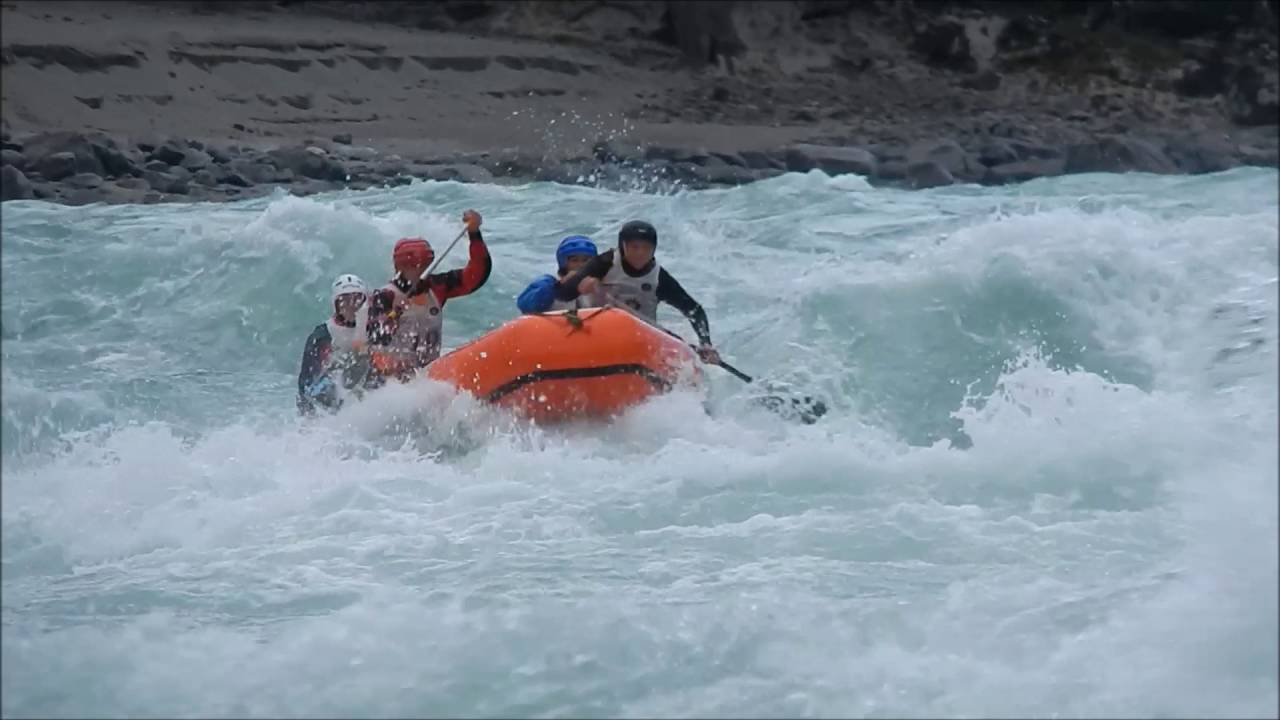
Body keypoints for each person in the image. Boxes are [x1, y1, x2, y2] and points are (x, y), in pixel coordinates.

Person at [554, 219, 722, 365]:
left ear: (654, 249)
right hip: (597, 332)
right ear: (623, 246)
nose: (640, 253)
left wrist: (705, 343)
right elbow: (563, 294)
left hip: (639, 339)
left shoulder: (659, 278)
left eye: (646, 248)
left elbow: (694, 310)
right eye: (634, 247)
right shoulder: (605, 263)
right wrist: (579, 287)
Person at [367, 209, 492, 380]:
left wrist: (474, 234)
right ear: (400, 268)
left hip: (427, 376)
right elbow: (376, 339)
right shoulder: (385, 296)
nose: (418, 270)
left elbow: (476, 275)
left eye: (423, 265)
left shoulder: (438, 286)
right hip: (390, 379)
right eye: (412, 266)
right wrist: (393, 317)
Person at [297, 273, 374, 416]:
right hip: (332, 389)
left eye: (357, 299)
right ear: (336, 304)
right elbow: (306, 380)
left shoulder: (375, 329)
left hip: (363, 385)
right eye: (344, 300)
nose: (351, 305)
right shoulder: (323, 335)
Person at [515, 234, 603, 314]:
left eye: (585, 260)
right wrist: (559, 287)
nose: (580, 265)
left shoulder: (599, 283)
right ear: (563, 263)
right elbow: (525, 305)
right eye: (574, 260)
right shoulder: (547, 282)